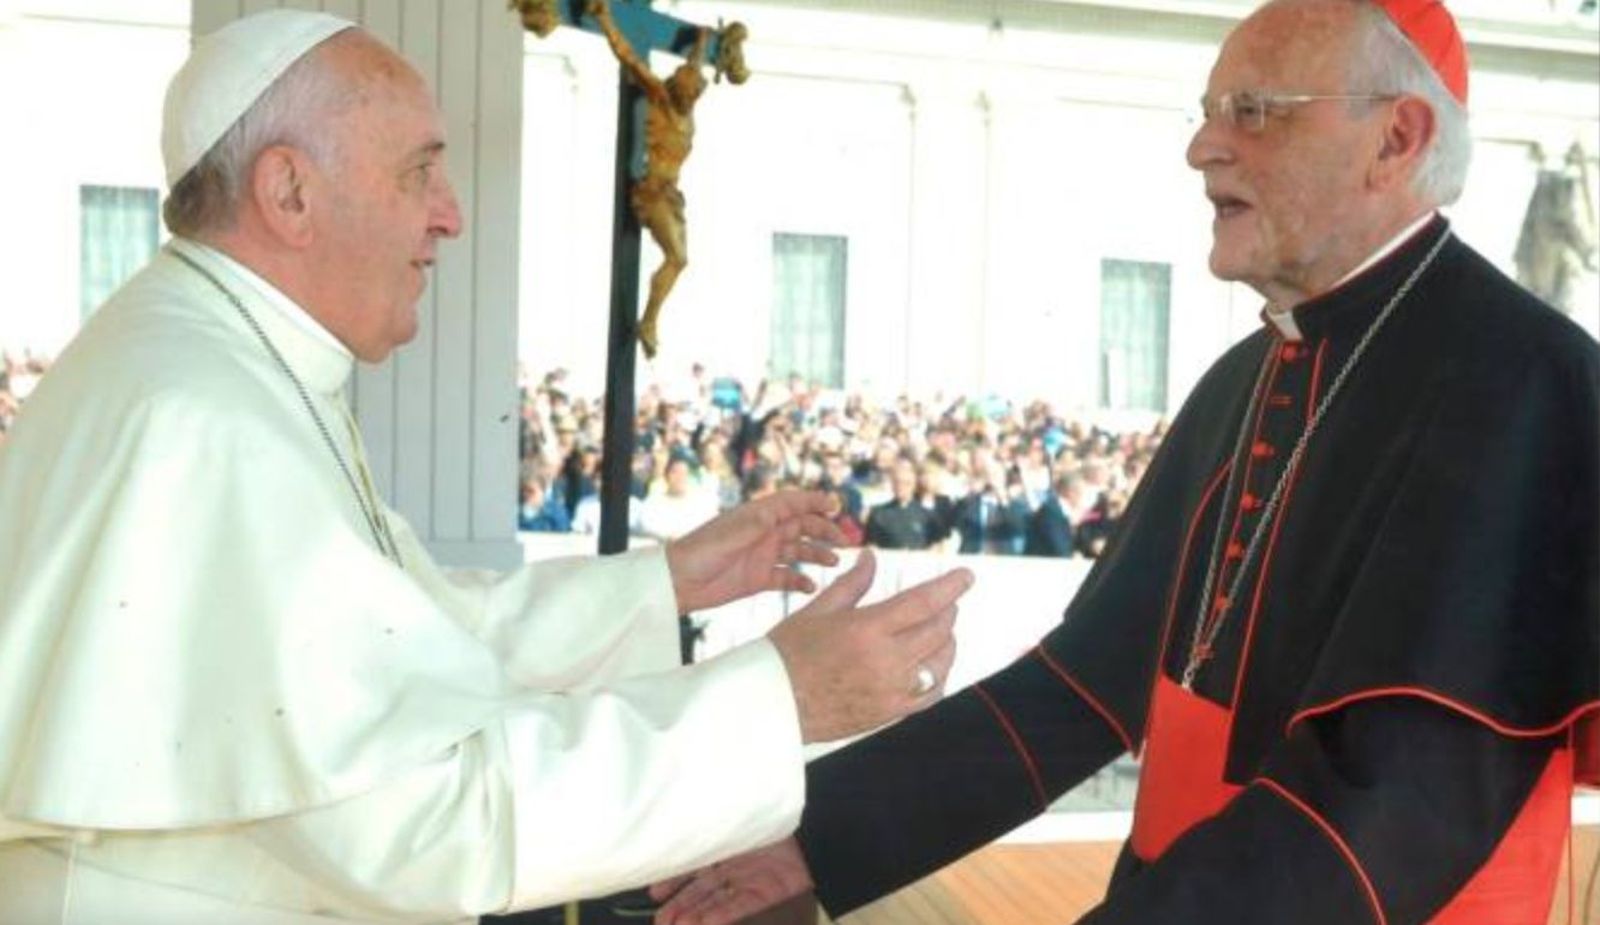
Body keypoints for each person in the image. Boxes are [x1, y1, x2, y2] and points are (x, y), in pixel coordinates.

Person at [0, 11, 974, 923]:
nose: (451, 215)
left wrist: (667, 582)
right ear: (290, 192)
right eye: (418, 171)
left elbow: (420, 636)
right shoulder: (207, 419)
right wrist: (779, 701)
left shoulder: (222, 362)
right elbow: (419, 814)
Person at [653, 2, 1598, 923]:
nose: (1203, 148)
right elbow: (1080, 687)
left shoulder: (1528, 387)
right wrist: (816, 839)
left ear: (1395, 138)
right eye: (1210, 111)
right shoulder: (1247, 378)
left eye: (1254, 111)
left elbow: (1394, 803)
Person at [588, 0, 707, 359]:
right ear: (676, 88)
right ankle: (649, 321)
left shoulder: (686, 111)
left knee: (680, 259)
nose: (690, 98)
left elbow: (695, 64)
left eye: (694, 94)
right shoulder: (660, 97)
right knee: (677, 257)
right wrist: (606, 19)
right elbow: (629, 57)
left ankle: (650, 320)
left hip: (670, 193)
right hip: (650, 190)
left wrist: (702, 42)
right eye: (687, 92)